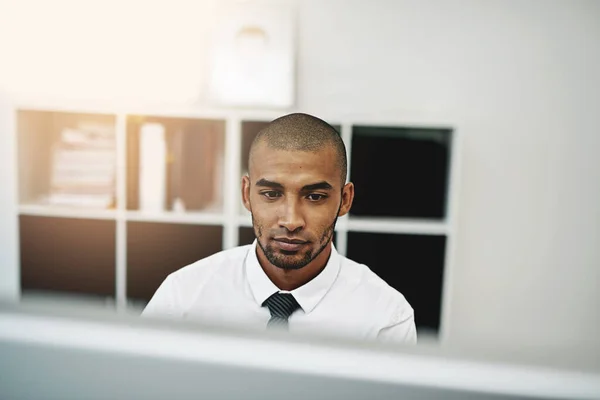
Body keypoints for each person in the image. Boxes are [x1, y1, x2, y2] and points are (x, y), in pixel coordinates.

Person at [143, 113, 417, 344]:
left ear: (345, 200)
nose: (291, 220)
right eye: (272, 194)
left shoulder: (385, 318)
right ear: (247, 193)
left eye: (314, 197)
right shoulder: (182, 297)